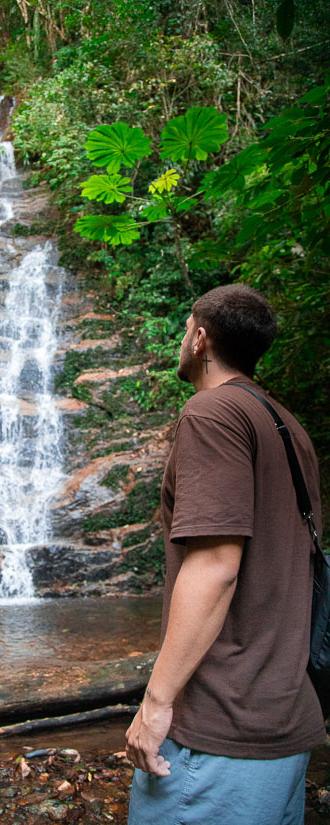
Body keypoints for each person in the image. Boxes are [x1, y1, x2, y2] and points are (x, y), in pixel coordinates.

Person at [126, 284, 326, 825]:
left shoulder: (212, 413)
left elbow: (216, 566)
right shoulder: (287, 427)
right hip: (282, 716)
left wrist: (157, 703)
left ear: (200, 337)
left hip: (218, 729)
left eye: (184, 328)